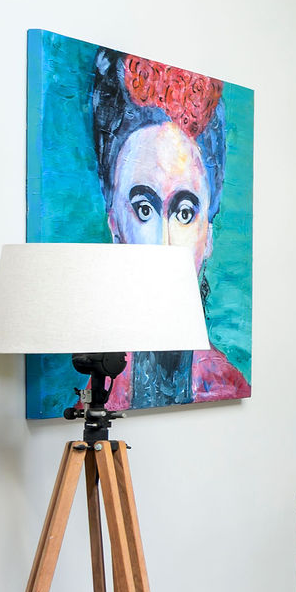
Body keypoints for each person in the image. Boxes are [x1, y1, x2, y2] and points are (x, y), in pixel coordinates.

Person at [90, 47, 251, 407]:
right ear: (114, 222)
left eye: (183, 213)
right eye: (144, 209)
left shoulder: (226, 384)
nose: (163, 245)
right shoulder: (97, 391)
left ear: (208, 233)